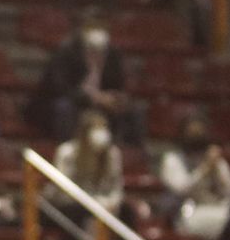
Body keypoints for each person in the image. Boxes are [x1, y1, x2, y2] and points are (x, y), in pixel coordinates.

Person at [51, 108, 140, 240]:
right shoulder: (67, 152)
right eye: (96, 128)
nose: (101, 133)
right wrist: (93, 204)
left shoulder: (112, 154)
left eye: (104, 128)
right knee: (73, 216)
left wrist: (110, 202)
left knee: (128, 212)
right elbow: (63, 190)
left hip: (102, 203)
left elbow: (116, 187)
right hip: (72, 204)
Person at [26, 9, 143, 145]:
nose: (97, 31)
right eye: (93, 27)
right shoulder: (67, 51)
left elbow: (118, 84)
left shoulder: (113, 54)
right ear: (82, 29)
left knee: (134, 109)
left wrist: (116, 97)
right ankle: (67, 148)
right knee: (64, 107)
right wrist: (94, 98)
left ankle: (132, 156)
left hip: (101, 103)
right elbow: (60, 88)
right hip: (71, 102)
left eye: (101, 27)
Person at [159, 113, 230, 240]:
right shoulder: (172, 160)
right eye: (192, 132)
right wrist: (205, 169)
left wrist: (217, 170)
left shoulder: (215, 159)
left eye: (200, 131)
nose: (196, 135)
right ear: (183, 134)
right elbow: (182, 188)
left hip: (216, 208)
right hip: (187, 213)